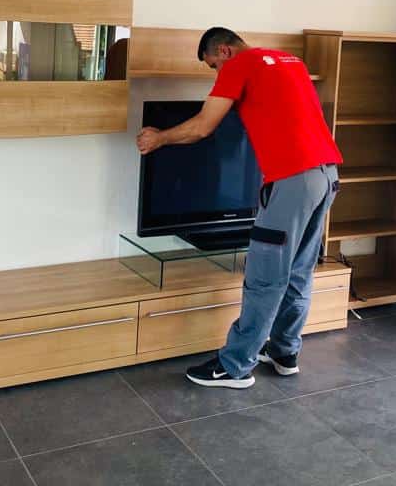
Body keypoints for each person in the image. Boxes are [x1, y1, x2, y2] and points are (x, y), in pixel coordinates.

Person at [136, 27, 343, 388]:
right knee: (298, 271)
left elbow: (203, 127)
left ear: (224, 51)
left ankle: (235, 366)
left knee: (265, 277)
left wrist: (159, 138)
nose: (217, 73)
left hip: (292, 181)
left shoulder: (239, 65)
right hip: (327, 175)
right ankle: (284, 352)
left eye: (213, 65)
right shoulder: (289, 61)